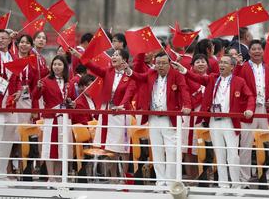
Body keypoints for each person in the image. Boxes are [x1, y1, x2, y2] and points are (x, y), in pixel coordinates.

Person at [173, 55, 254, 190]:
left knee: (232, 155)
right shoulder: (213, 78)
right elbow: (197, 78)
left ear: (232, 67)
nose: (221, 65)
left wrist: (250, 109)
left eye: (225, 63)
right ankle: (223, 185)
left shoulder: (239, 81)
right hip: (214, 121)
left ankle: (236, 185)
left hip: (230, 122)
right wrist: (184, 70)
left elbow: (250, 95)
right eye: (220, 62)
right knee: (220, 155)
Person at [123, 51, 192, 186]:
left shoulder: (176, 75)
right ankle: (160, 182)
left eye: (163, 63)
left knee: (171, 151)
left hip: (169, 118)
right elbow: (139, 77)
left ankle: (171, 182)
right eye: (158, 63)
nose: (160, 66)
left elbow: (184, 90)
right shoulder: (151, 73)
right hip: (154, 117)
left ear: (169, 64)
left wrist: (187, 105)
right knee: (157, 150)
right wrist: (128, 70)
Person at [70, 48, 136, 179]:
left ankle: (123, 177)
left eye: (117, 54)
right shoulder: (108, 72)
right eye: (113, 54)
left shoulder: (130, 75)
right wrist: (80, 55)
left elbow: (130, 91)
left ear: (124, 60)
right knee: (109, 148)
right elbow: (92, 66)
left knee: (122, 148)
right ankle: (113, 178)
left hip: (121, 114)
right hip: (107, 112)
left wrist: (122, 105)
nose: (113, 57)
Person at [237, 40, 269, 186]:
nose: (257, 51)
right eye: (253, 49)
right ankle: (244, 179)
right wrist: (238, 64)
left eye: (259, 48)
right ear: (249, 52)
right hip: (248, 111)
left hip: (265, 110)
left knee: (266, 144)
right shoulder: (243, 68)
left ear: (263, 51)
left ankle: (267, 177)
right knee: (246, 145)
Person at [32, 55, 73, 182]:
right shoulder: (45, 80)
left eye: (59, 64)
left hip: (65, 119)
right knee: (49, 149)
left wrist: (71, 103)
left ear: (64, 67)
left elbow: (71, 100)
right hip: (51, 118)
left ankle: (58, 176)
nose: (56, 67)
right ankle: (51, 177)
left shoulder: (69, 82)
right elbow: (35, 96)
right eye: (54, 64)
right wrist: (38, 87)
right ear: (51, 66)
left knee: (62, 148)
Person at [0, 29, 21, 180]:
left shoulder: (13, 56)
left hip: (11, 101)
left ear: (9, 40)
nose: (0, 40)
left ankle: (2, 173)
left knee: (8, 138)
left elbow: (18, 78)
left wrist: (19, 91)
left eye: (3, 38)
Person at [182, 54, 209, 180]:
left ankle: (205, 176)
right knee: (188, 147)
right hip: (191, 114)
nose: (201, 64)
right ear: (192, 66)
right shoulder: (187, 77)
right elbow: (185, 93)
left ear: (207, 65)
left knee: (206, 146)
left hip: (208, 116)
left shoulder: (212, 77)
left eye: (203, 61)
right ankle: (191, 176)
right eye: (197, 62)